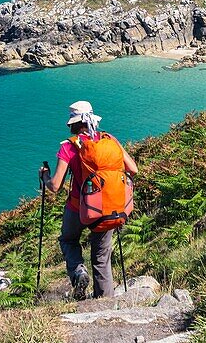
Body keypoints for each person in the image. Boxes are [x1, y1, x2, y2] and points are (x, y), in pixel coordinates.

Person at [41, 100, 138, 300]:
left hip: (77, 207)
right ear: (93, 120)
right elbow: (133, 170)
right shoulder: (109, 139)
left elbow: (55, 186)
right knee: (102, 259)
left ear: (73, 124)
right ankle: (105, 303)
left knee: (68, 240)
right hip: (107, 206)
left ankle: (78, 272)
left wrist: (44, 177)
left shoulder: (69, 147)